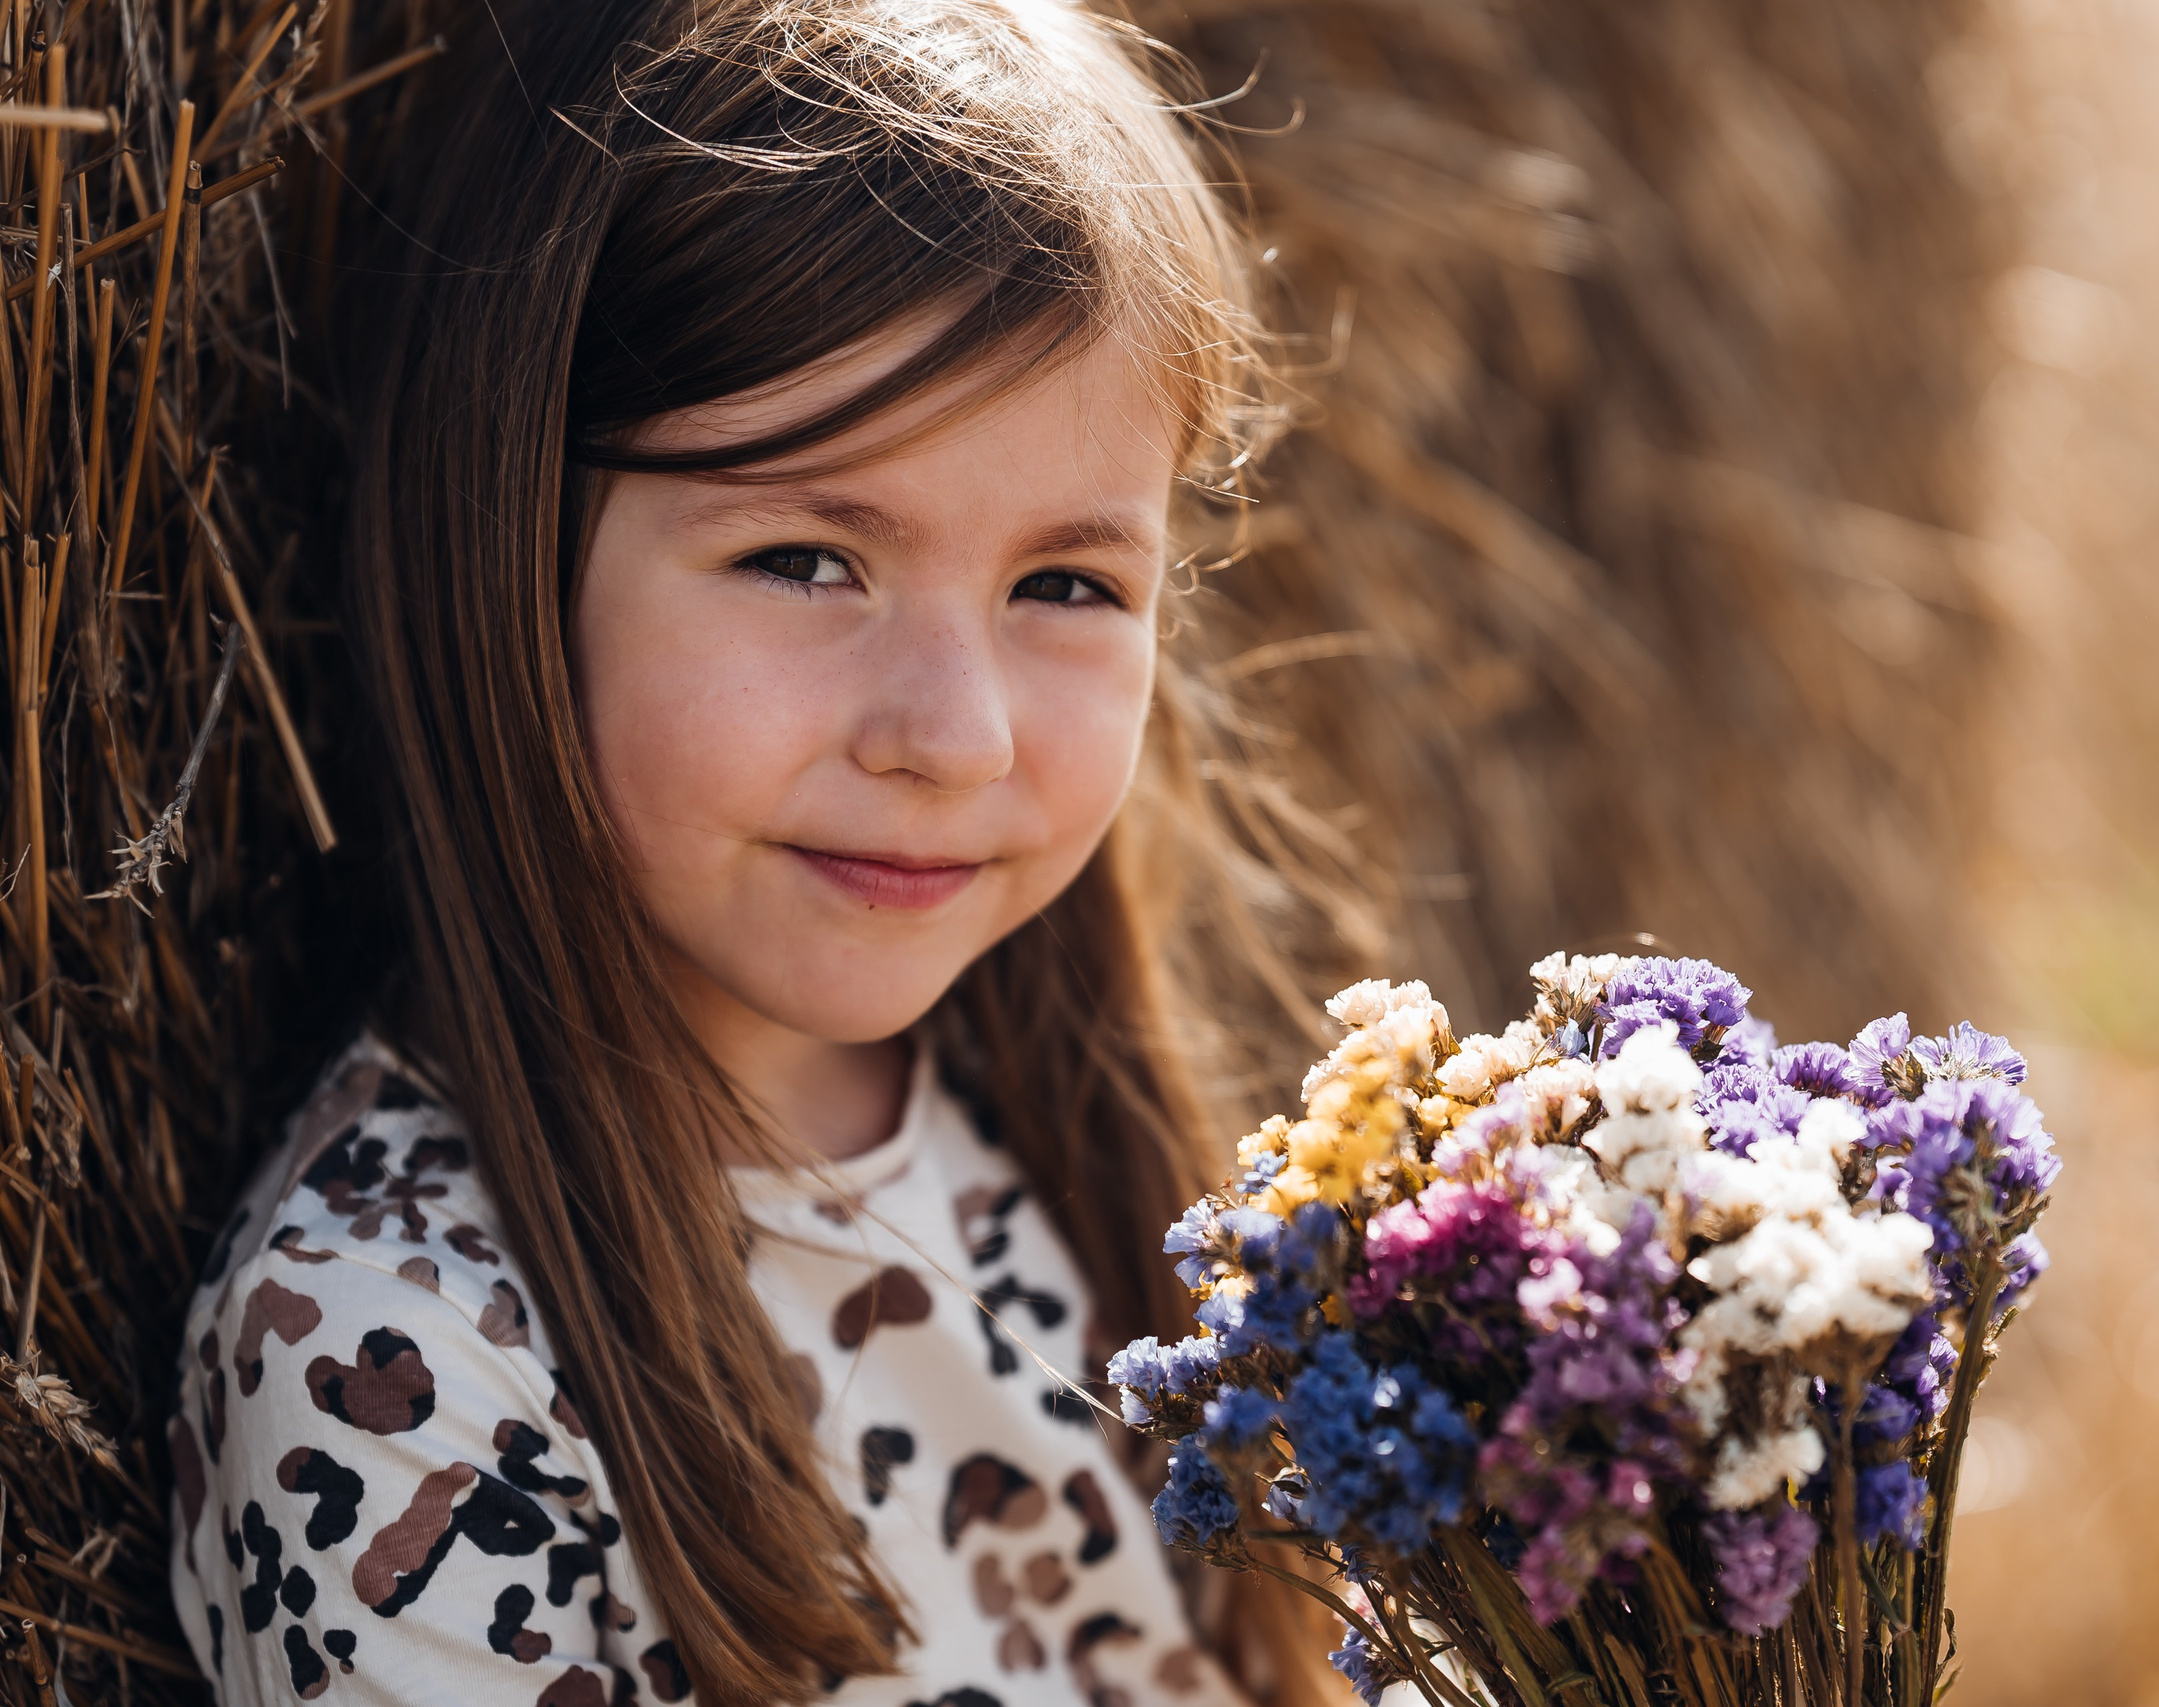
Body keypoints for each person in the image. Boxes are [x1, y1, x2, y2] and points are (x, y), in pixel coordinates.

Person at [167, 2, 1346, 1702]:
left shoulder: (1073, 1136)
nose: (956, 736)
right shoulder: (397, 1362)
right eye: (805, 560)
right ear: (513, 556)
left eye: (1065, 585)